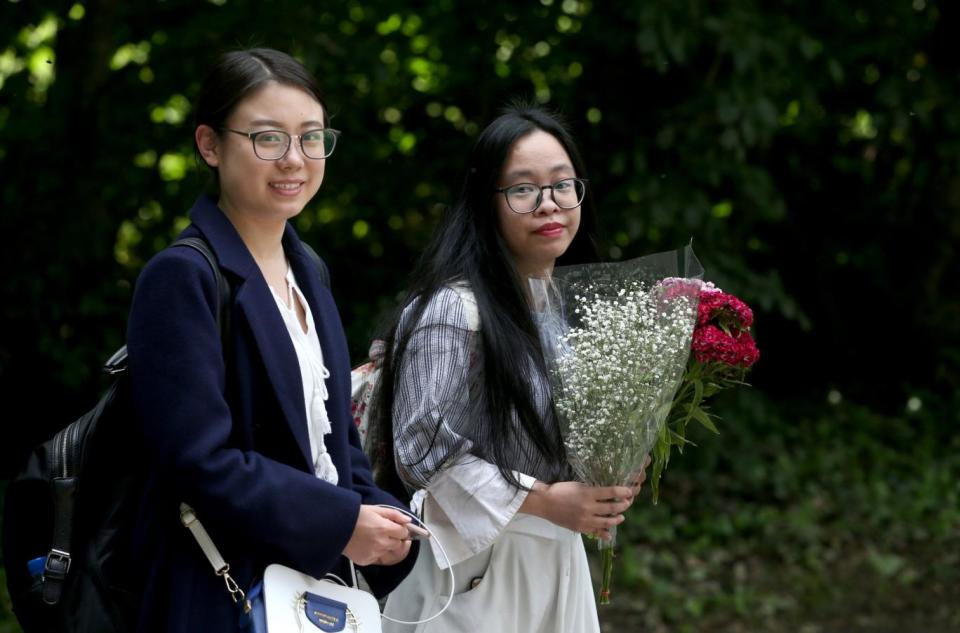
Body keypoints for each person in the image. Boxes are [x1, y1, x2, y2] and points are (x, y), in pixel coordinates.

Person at [125, 48, 417, 632]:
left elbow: (334, 440)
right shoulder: (184, 275)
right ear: (210, 145)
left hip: (313, 591)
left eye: (311, 138)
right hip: (219, 591)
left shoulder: (307, 268)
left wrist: (382, 514)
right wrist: (340, 522)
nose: (294, 160)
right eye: (267, 138)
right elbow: (198, 461)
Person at [372, 104, 647, 632]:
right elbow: (421, 451)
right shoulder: (452, 310)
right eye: (523, 189)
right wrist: (546, 501)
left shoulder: (559, 311)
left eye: (563, 185)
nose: (550, 204)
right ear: (486, 204)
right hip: (470, 583)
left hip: (552, 563)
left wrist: (610, 473)